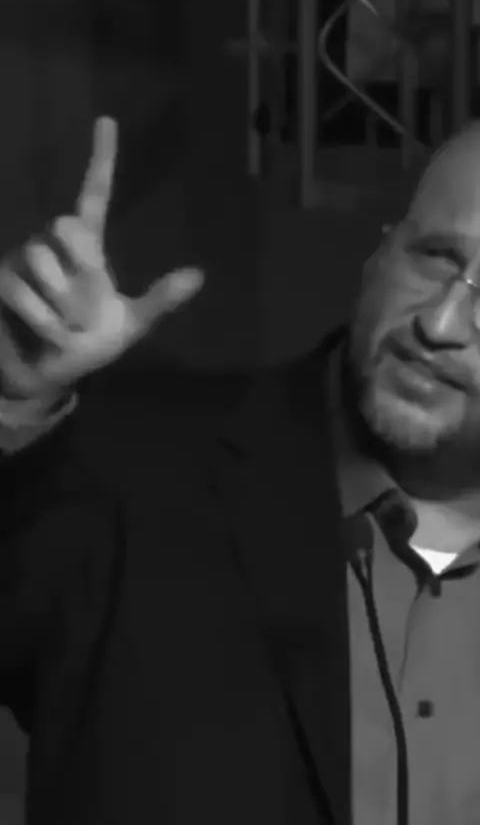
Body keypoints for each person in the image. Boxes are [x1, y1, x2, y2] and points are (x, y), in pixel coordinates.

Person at [2, 117, 480, 825]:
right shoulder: (129, 476)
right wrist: (15, 403)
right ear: (379, 254)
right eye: (435, 257)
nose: (440, 324)